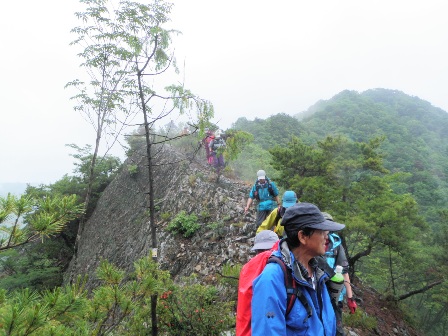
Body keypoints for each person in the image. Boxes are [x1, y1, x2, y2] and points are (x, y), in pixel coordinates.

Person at [251, 202, 345, 335]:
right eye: (321, 231)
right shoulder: (272, 279)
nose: (327, 236)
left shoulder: (319, 272)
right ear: (302, 237)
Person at [320, 212, 357, 336]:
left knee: (337, 330)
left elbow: (344, 272)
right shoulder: (312, 243)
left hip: (335, 295)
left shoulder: (336, 245)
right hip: (317, 293)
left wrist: (350, 297)